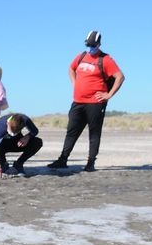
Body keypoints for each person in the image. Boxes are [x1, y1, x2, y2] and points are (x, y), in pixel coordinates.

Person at [48, 30, 125, 172]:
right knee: (71, 131)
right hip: (78, 102)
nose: (90, 47)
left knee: (94, 133)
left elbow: (120, 77)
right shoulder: (81, 56)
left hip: (95, 103)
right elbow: (71, 69)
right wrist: (75, 83)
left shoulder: (106, 59)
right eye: (88, 45)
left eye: (93, 45)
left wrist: (108, 95)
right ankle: (62, 160)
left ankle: (90, 163)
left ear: (99, 44)